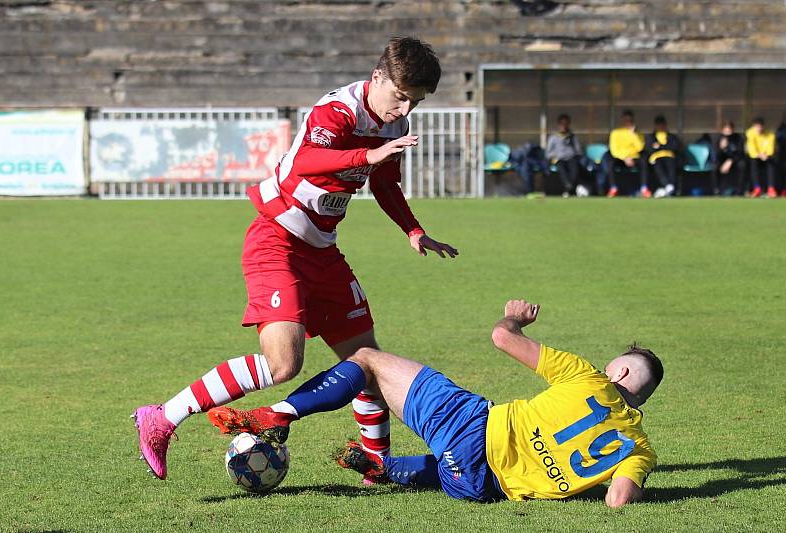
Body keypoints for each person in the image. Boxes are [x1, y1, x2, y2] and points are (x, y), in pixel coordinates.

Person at [132, 37, 459, 480]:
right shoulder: (338, 110)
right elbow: (306, 161)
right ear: (377, 77)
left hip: (322, 251)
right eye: (400, 97)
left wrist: (414, 230)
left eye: (415, 103)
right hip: (276, 238)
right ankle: (162, 417)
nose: (404, 111)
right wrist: (369, 154)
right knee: (284, 364)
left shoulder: (394, 127)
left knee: (366, 362)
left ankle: (376, 468)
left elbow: (385, 185)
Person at [208, 298, 662, 507]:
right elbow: (617, 502)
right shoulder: (640, 448)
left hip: (471, 429)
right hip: (479, 488)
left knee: (365, 359)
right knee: (448, 462)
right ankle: (385, 468)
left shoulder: (589, 378)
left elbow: (502, 338)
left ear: (618, 374)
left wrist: (515, 317)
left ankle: (277, 414)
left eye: (611, 366)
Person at [604, 110, 647, 197]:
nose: (628, 123)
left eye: (630, 121)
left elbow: (640, 148)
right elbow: (614, 149)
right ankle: (613, 188)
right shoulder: (616, 132)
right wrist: (624, 158)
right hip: (620, 158)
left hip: (634, 158)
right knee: (610, 161)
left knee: (643, 162)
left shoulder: (638, 134)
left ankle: (644, 188)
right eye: (626, 120)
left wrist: (633, 134)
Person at [546, 114, 587, 197]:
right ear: (558, 125)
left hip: (571, 158)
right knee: (561, 168)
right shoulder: (553, 138)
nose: (564, 126)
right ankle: (569, 187)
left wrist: (573, 151)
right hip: (559, 159)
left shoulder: (572, 137)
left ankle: (568, 189)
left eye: (566, 124)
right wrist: (555, 156)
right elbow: (548, 153)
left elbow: (579, 150)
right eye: (562, 124)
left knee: (575, 169)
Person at [644, 115, 681, 198]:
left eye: (662, 124)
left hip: (669, 156)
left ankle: (670, 186)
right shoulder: (650, 137)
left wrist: (660, 146)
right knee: (658, 166)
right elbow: (649, 148)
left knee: (671, 165)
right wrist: (664, 146)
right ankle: (668, 185)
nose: (660, 126)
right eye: (658, 124)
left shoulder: (671, 136)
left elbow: (674, 147)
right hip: (656, 158)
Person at [745, 117, 778, 198]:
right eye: (756, 127)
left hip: (766, 156)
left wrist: (766, 155)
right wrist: (759, 154)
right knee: (753, 163)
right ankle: (757, 188)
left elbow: (770, 149)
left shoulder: (770, 135)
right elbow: (751, 148)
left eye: (760, 126)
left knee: (771, 163)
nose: (758, 129)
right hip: (756, 156)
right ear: (753, 127)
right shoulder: (749, 133)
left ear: (763, 126)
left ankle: (771, 188)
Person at [713, 121, 746, 196]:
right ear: (722, 130)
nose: (728, 132)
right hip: (722, 161)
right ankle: (716, 190)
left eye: (730, 130)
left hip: (735, 160)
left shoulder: (738, 138)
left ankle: (740, 190)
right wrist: (721, 148)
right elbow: (716, 155)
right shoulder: (718, 139)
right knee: (715, 167)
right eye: (726, 130)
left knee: (742, 165)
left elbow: (740, 153)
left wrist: (730, 161)